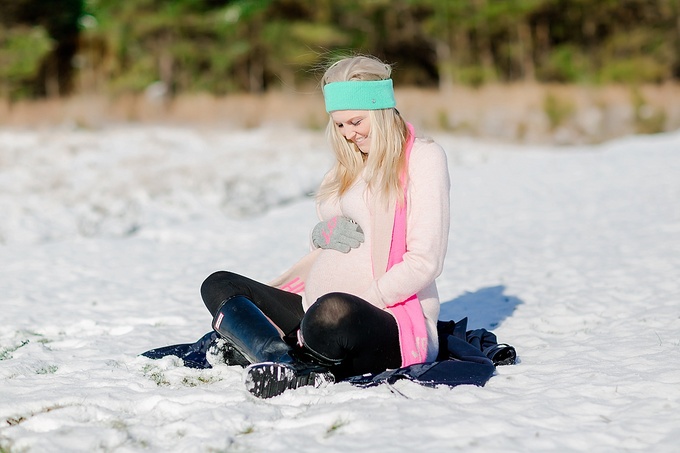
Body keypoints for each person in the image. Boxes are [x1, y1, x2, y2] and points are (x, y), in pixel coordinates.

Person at [200, 55, 451, 398]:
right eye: (339, 125)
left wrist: (370, 299)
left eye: (356, 121)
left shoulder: (422, 159)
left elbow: (425, 260)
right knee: (219, 284)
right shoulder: (347, 164)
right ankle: (287, 361)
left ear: (380, 110)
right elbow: (332, 236)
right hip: (311, 307)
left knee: (331, 312)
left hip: (379, 318)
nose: (349, 134)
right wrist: (319, 236)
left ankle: (266, 351)